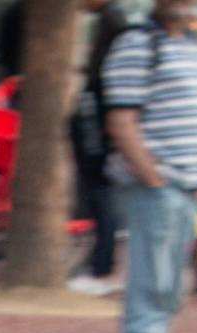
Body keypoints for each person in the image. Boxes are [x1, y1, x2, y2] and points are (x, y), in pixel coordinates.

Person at [100, 0, 197, 333]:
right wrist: (154, 179)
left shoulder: (191, 44)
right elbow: (122, 122)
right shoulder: (137, 44)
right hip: (159, 190)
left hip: (185, 189)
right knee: (150, 297)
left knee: (165, 297)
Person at [67, 0, 130, 296]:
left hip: (99, 117)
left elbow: (108, 74)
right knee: (97, 191)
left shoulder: (113, 21)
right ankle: (99, 261)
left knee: (100, 191)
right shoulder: (105, 20)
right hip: (97, 113)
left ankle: (102, 267)